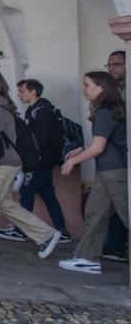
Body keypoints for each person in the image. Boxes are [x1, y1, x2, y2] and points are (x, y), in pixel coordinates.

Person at [0, 75, 61, 261]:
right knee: (6, 204)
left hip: (4, 163)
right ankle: (46, 234)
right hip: (10, 162)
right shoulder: (4, 104)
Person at [58, 71, 129, 274]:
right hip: (108, 171)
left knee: (126, 214)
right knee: (95, 213)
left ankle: (87, 258)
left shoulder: (104, 113)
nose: (84, 89)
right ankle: (87, 258)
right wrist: (82, 150)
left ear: (100, 88)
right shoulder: (110, 110)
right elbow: (105, 142)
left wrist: (72, 161)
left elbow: (98, 147)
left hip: (114, 172)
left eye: (87, 85)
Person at [2, 79, 69, 243]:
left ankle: (22, 230)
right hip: (44, 161)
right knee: (47, 194)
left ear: (33, 92)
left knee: (26, 191)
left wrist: (30, 158)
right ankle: (62, 230)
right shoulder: (34, 110)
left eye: (22, 91)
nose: (19, 94)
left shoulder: (42, 111)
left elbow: (40, 140)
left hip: (39, 161)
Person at [101, 51, 128, 263]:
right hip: (113, 157)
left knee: (123, 205)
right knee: (106, 207)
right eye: (109, 65)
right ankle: (114, 247)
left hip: (120, 156)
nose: (112, 68)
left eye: (117, 64)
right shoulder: (112, 92)